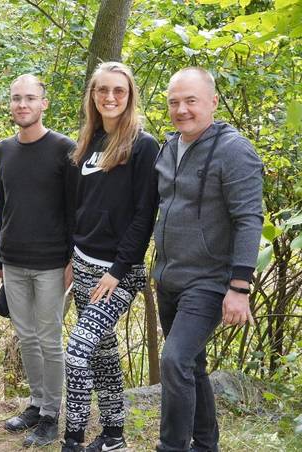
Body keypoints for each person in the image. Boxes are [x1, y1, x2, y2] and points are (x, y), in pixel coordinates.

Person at [153, 67, 263, 452]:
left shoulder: (234, 151)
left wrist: (239, 286)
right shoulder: (168, 148)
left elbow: (250, 219)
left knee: (175, 361)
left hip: (209, 280)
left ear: (213, 102)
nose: (181, 109)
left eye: (191, 100)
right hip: (168, 278)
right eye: (174, 102)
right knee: (191, 365)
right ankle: (206, 444)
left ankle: (171, 447)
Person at [60, 62, 159, 452]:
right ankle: (114, 435)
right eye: (103, 90)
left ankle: (73, 439)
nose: (110, 97)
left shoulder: (143, 145)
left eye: (119, 90)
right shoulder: (88, 142)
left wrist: (119, 270)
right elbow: (77, 207)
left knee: (78, 351)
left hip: (118, 272)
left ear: (130, 95)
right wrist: (71, 256)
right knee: (101, 352)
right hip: (83, 262)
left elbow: (143, 215)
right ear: (93, 96)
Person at [0, 74, 75, 447]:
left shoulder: (64, 149)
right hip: (13, 261)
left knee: (49, 339)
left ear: (44, 103)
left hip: (51, 263)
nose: (22, 104)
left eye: (29, 98)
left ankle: (52, 414)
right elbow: (2, 203)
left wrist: (72, 258)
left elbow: (76, 209)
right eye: (15, 99)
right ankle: (36, 404)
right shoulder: (2, 151)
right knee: (26, 337)